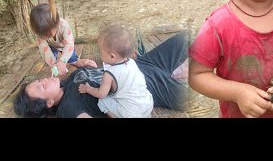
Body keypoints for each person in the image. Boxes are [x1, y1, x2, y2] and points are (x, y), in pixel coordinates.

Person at [13, 30, 189, 118]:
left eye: (39, 80)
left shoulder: (64, 84)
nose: (44, 79)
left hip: (140, 64)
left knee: (186, 37)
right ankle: (176, 73)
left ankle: (176, 71)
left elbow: (90, 74)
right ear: (49, 102)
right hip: (153, 87)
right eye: (41, 86)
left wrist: (82, 63)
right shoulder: (68, 109)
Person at [77, 26, 153, 118]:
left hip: (130, 114)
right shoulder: (132, 63)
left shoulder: (109, 74)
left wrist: (87, 89)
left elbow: (101, 94)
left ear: (112, 56)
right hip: (147, 106)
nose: (99, 54)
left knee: (103, 102)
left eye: (101, 52)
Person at [30, 3, 96, 76]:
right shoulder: (40, 34)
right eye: (42, 35)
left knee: (71, 56)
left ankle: (75, 61)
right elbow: (45, 51)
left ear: (57, 24)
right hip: (50, 46)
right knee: (51, 58)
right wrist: (55, 65)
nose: (45, 37)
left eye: (48, 35)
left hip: (64, 44)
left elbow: (69, 45)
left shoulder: (63, 25)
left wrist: (62, 61)